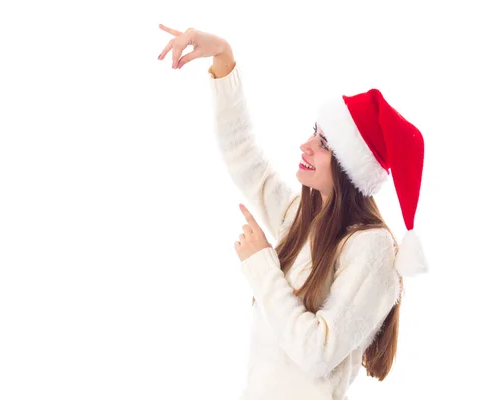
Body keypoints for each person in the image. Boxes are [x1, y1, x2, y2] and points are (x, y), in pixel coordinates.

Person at [157, 24, 428, 400]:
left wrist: (261, 263)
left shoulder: (373, 249)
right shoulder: (304, 217)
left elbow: (315, 353)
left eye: (324, 143)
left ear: (351, 167)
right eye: (314, 132)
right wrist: (223, 57)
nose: (306, 145)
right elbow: (244, 157)